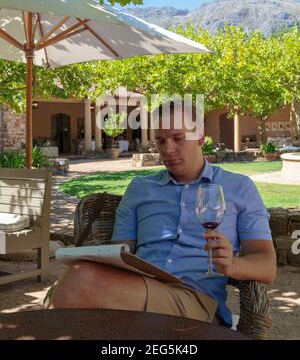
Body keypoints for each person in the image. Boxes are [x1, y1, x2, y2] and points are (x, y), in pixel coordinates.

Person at [49, 101, 276, 327]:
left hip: (196, 301)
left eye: (178, 138)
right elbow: (120, 254)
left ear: (199, 136)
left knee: (79, 282)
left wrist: (232, 265)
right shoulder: (140, 188)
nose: (167, 149)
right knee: (76, 283)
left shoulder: (238, 188)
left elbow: (267, 265)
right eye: (160, 140)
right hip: (137, 291)